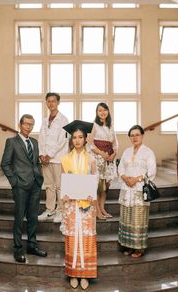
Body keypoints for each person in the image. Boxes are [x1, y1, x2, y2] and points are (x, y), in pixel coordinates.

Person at [1, 114, 47, 263]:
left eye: (31, 124)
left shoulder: (34, 142)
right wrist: (15, 181)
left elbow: (35, 163)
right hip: (20, 186)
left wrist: (38, 175)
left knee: (33, 217)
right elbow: (5, 164)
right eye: (26, 124)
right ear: (20, 125)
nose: (29, 127)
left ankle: (32, 246)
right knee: (19, 218)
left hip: (35, 184)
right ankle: (18, 249)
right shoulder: (12, 142)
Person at [60, 120, 97, 290]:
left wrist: (92, 193)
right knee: (73, 237)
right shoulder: (65, 160)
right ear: (71, 140)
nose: (77, 140)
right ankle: (73, 272)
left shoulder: (91, 159)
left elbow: (94, 181)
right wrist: (65, 195)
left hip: (87, 205)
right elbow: (63, 182)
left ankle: (85, 274)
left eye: (80, 137)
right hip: (71, 207)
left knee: (86, 238)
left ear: (85, 139)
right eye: (74, 137)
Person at [118, 125, 156, 258]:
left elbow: (151, 172)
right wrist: (125, 177)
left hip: (139, 190)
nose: (134, 137)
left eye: (137, 135)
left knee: (138, 220)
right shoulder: (126, 151)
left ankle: (139, 248)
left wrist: (136, 179)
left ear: (142, 135)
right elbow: (120, 167)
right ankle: (128, 245)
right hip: (126, 189)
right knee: (127, 218)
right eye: (132, 135)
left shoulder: (148, 152)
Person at [38, 92, 68, 223]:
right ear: (46, 103)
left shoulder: (63, 119)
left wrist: (49, 155)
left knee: (60, 185)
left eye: (53, 101)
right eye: (48, 101)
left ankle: (60, 211)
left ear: (58, 102)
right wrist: (41, 155)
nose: (51, 103)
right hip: (45, 159)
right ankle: (50, 209)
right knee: (49, 185)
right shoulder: (45, 120)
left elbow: (62, 141)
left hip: (57, 158)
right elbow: (41, 139)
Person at [88, 102, 118, 220]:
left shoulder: (111, 126)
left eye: (104, 110)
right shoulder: (94, 125)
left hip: (109, 159)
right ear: (97, 113)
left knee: (105, 186)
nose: (102, 112)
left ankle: (102, 208)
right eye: (100, 110)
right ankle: (97, 210)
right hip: (98, 159)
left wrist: (114, 154)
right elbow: (90, 143)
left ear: (108, 112)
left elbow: (115, 143)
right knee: (97, 186)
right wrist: (102, 154)